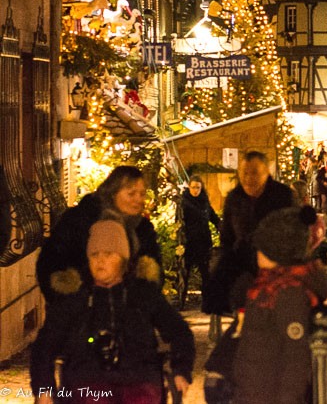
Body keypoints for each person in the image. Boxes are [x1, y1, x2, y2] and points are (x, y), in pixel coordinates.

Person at [30, 219, 193, 404]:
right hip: (87, 384)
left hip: (139, 383)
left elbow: (180, 332)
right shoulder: (76, 298)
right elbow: (44, 347)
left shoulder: (142, 295)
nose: (100, 260)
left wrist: (181, 370)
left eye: (108, 254)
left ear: (123, 259)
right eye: (95, 254)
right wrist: (44, 390)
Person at [234, 206, 327, 404]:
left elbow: (296, 357)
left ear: (277, 253)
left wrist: (288, 398)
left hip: (271, 393)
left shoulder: (288, 292)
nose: (257, 254)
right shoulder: (265, 286)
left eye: (262, 249)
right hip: (256, 390)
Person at [37, 166, 161, 302]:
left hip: (127, 312)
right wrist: (69, 301)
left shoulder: (143, 229)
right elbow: (50, 262)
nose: (138, 199)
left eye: (142, 194)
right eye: (131, 194)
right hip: (81, 311)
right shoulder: (79, 220)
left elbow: (155, 271)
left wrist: (144, 302)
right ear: (113, 193)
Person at [203, 151, 296, 315]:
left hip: (274, 258)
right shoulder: (234, 198)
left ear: (266, 172)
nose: (249, 178)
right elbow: (227, 237)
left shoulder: (282, 196)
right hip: (242, 256)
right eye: (245, 173)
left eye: (254, 173)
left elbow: (293, 233)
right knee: (218, 283)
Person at [178, 176, 222, 309]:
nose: (195, 190)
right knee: (185, 272)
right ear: (189, 187)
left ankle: (207, 301)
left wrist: (221, 226)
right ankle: (181, 302)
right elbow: (180, 222)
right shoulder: (184, 202)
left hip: (203, 241)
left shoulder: (204, 201)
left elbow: (212, 216)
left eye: (198, 187)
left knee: (205, 273)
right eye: (193, 187)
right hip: (189, 243)